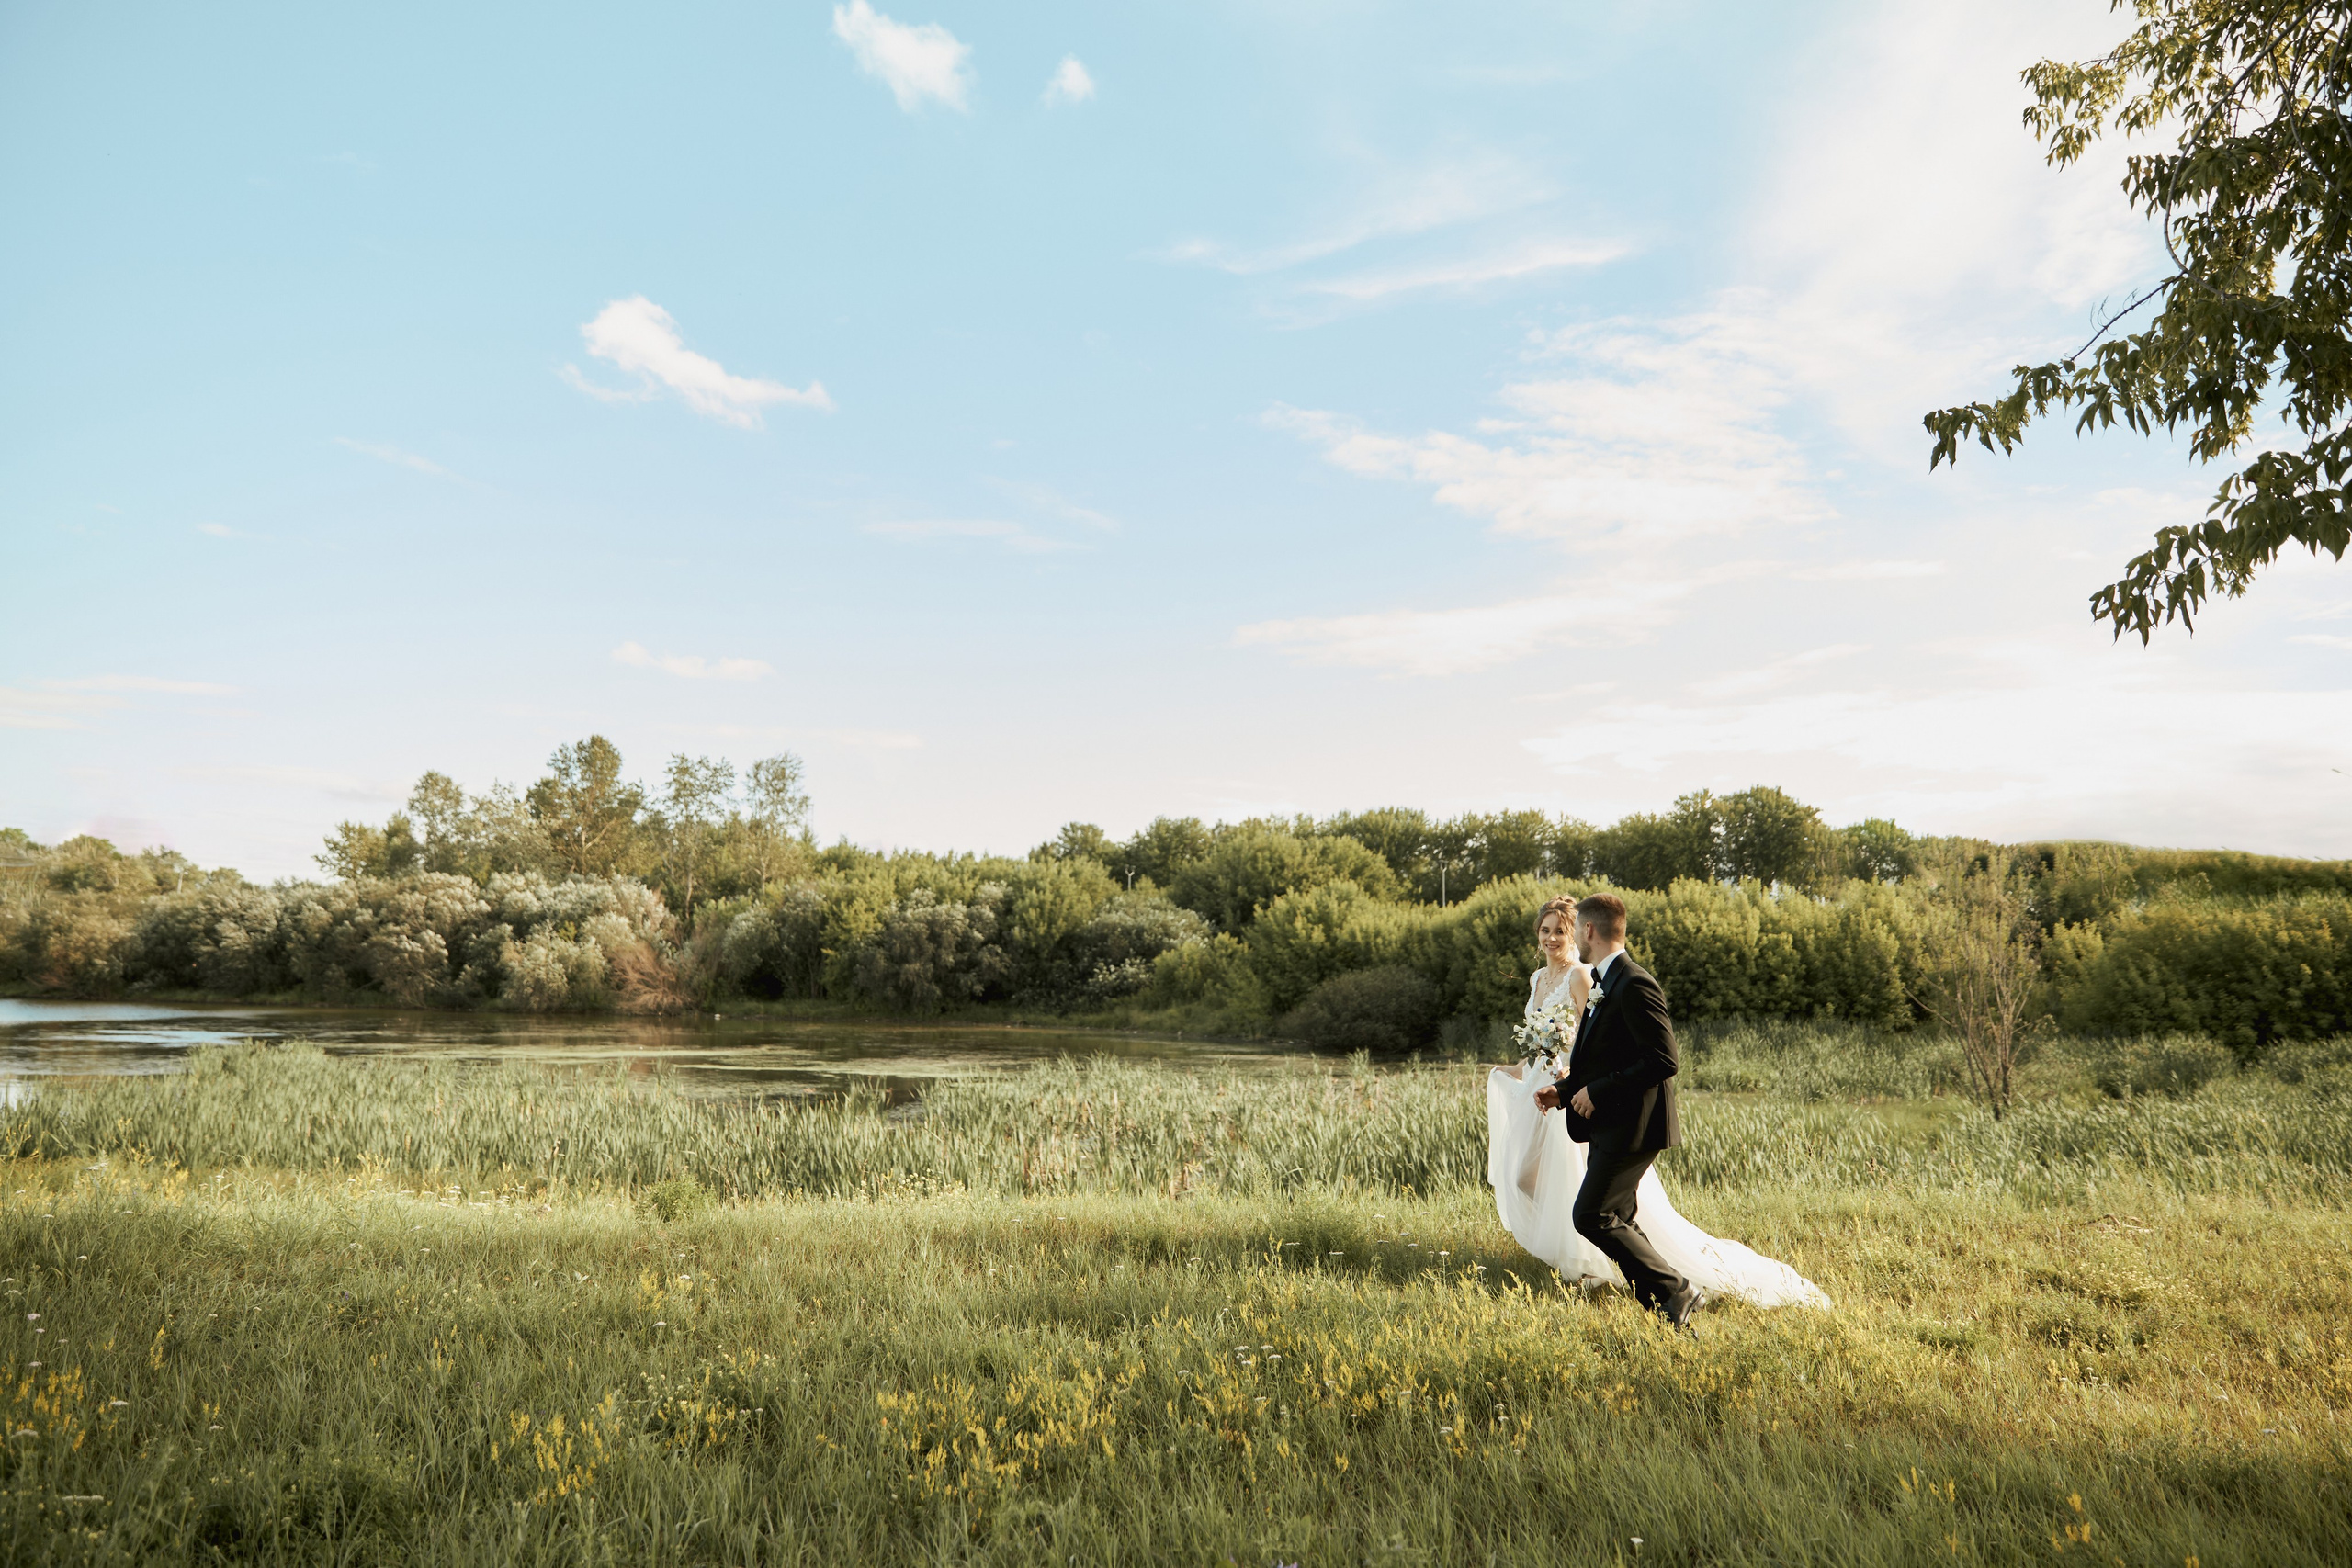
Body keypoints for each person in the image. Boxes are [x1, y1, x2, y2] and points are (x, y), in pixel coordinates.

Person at [1485, 893, 1831, 1317]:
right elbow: (1603, 1055)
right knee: (1620, 1218)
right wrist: (1567, 1089)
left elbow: (1664, 1060)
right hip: (1604, 1116)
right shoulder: (1605, 980)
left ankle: (1677, 1291)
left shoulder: (1633, 982)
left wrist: (1594, 1090)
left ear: (1587, 930)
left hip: (1634, 1122)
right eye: (1548, 930)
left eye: (1568, 929)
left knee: (1591, 1215)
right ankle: (1661, 1294)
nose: (1559, 937)